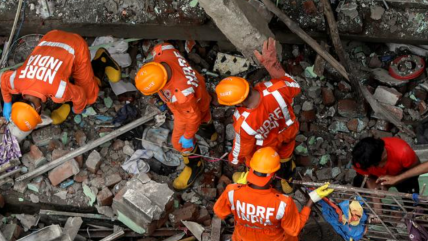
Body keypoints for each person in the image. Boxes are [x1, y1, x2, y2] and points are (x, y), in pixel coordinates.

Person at [213, 147, 333, 241]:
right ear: (274, 175)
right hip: (275, 237)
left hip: (245, 236)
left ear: (251, 169)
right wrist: (311, 200)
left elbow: (219, 212)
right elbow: (294, 229)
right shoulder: (283, 203)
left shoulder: (231, 191)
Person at [214, 38, 300, 193]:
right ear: (246, 83)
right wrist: (273, 66)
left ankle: (264, 178)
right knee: (286, 153)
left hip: (267, 148)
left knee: (254, 160)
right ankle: (287, 178)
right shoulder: (277, 89)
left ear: (237, 103)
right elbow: (294, 86)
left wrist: (234, 160)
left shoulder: (244, 122)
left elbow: (243, 148)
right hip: (289, 132)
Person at [2, 30, 121, 131]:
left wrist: (78, 109)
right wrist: (7, 102)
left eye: (39, 113)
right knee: (67, 88)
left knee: (89, 96)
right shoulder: (16, 82)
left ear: (37, 108)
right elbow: (3, 80)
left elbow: (80, 95)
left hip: (75, 45)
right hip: (50, 37)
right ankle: (69, 99)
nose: (41, 112)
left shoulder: (58, 90)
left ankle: (102, 59)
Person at [134, 42, 212, 191]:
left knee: (179, 143)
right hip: (200, 91)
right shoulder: (163, 50)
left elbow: (192, 117)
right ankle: (210, 132)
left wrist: (188, 136)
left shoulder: (181, 96)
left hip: (189, 106)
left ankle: (195, 167)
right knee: (205, 116)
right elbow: (161, 47)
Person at [351, 137, 420, 193]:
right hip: (377, 178)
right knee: (359, 184)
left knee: (409, 190)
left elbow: (417, 168)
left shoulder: (402, 152)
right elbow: (368, 177)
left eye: (377, 165)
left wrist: (398, 178)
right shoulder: (360, 160)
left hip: (401, 173)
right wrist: (377, 201)